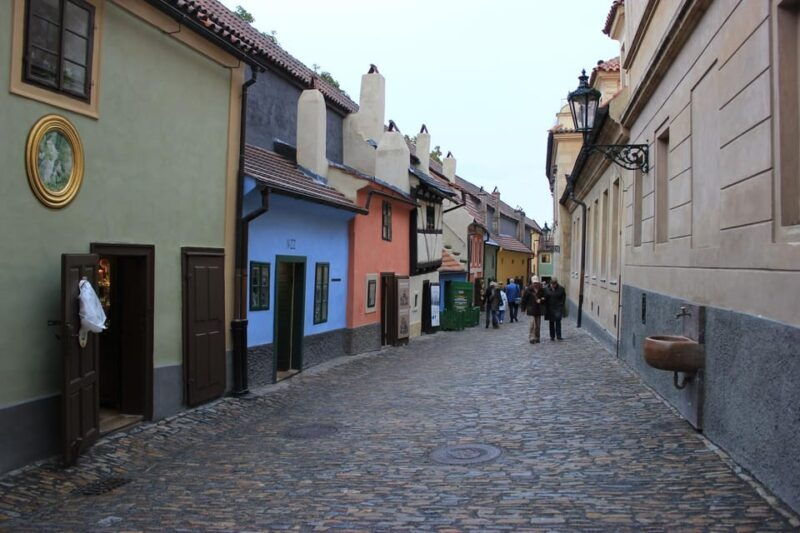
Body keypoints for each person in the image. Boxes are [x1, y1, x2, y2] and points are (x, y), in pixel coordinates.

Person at [521, 276, 545, 343]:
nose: (535, 284)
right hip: (531, 309)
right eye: (534, 283)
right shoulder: (528, 290)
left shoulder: (541, 289)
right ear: (532, 283)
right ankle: (531, 337)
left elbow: (544, 297)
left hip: (538, 309)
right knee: (532, 324)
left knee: (538, 325)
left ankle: (537, 337)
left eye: (536, 283)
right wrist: (523, 308)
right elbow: (524, 299)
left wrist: (541, 300)